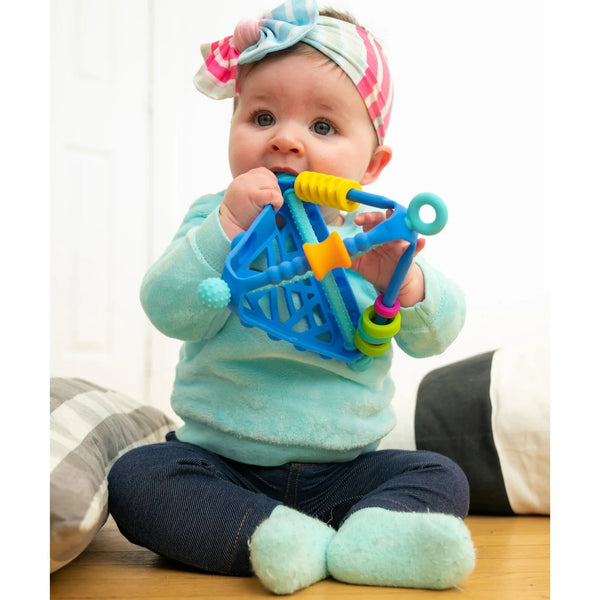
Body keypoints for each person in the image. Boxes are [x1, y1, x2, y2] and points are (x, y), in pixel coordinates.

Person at [108, 0, 475, 594]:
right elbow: (167, 307)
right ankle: (281, 536)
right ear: (232, 128)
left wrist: (407, 284)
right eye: (261, 117)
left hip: (346, 471)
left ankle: (361, 537)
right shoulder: (215, 218)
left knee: (440, 474)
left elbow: (438, 331)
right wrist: (224, 227)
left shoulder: (372, 237)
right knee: (137, 478)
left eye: (323, 127)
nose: (286, 141)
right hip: (221, 466)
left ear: (372, 165)